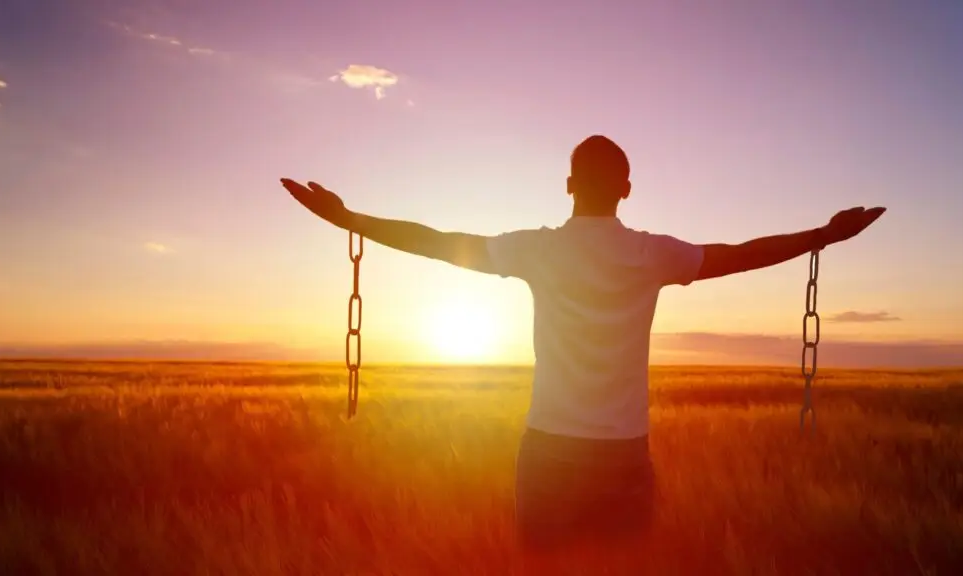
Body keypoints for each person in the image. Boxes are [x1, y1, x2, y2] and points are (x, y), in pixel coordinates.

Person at [279, 135, 886, 558]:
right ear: (626, 188)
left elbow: (438, 241)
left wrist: (351, 219)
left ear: (568, 185)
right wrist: (823, 235)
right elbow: (741, 254)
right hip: (624, 456)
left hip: (547, 454)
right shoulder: (653, 254)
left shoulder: (536, 249)